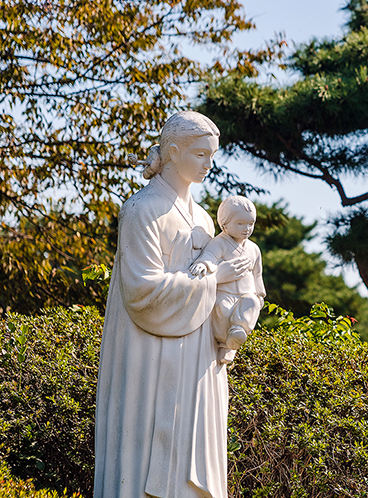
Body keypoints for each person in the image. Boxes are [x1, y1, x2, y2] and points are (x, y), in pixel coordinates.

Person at [94, 111, 250, 498]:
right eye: (200, 154)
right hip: (150, 353)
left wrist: (235, 304)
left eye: (211, 156)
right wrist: (219, 278)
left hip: (198, 355)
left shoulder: (202, 217)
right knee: (144, 454)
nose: (208, 165)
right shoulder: (143, 209)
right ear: (174, 151)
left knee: (191, 458)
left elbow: (216, 286)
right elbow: (142, 291)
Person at [190, 195, 266, 364]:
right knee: (221, 309)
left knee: (251, 303)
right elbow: (209, 256)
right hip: (225, 292)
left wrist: (260, 293)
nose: (246, 228)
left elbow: (257, 273)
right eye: (240, 223)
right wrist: (203, 264)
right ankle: (226, 343)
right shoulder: (220, 243)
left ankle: (237, 334)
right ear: (224, 223)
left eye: (250, 223)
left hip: (246, 293)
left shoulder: (253, 249)